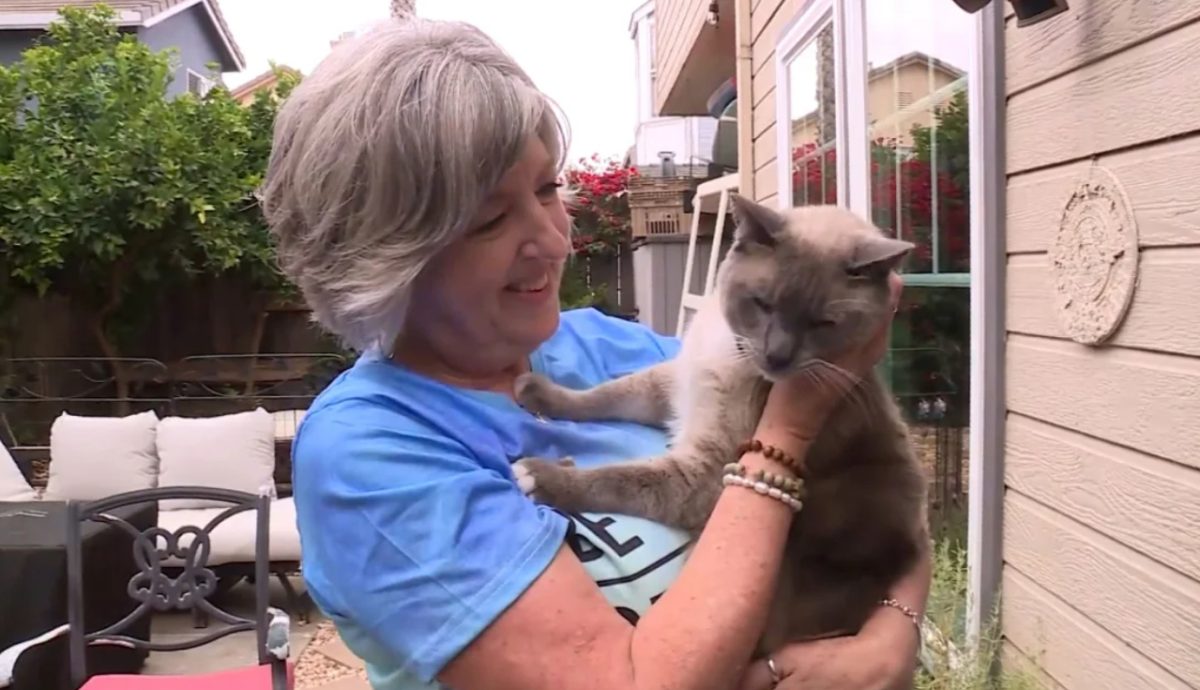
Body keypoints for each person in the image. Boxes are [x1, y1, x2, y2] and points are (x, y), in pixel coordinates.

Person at [262, 16, 930, 690]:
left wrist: (890, 638)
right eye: (492, 218)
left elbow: (884, 488)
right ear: (388, 256)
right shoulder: (370, 454)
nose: (554, 241)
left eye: (548, 189)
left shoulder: (602, 347)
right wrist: (790, 427)